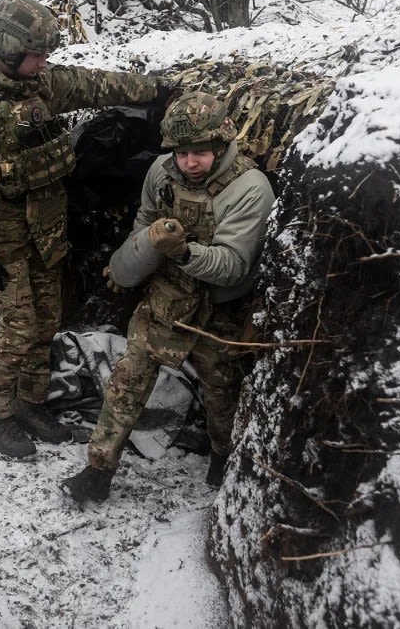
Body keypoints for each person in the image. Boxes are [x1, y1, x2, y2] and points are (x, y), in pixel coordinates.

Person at [0, 0, 169, 458]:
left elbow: (96, 85)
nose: (44, 63)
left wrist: (156, 90)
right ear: (7, 49)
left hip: (44, 233)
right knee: (19, 328)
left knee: (46, 323)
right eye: (36, 54)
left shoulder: (39, 86)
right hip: (2, 242)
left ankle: (31, 404)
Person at [62, 91, 275, 502]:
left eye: (199, 152)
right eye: (181, 152)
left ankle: (221, 456)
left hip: (219, 309)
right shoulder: (162, 172)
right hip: (167, 297)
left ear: (221, 144)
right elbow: (143, 222)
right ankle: (97, 469)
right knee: (127, 381)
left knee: (222, 394)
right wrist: (134, 257)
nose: (189, 163)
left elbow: (234, 265)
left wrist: (181, 251)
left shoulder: (251, 188)